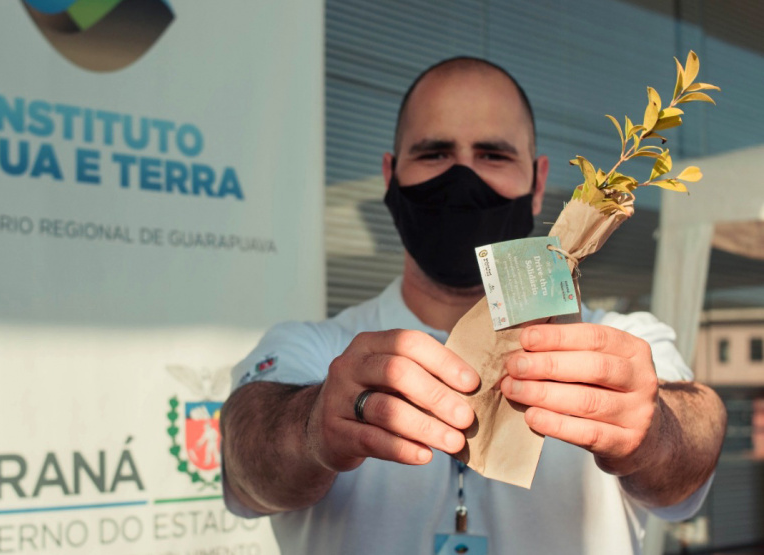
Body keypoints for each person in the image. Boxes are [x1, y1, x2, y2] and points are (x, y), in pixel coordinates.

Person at [220, 57, 726, 555]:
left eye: (493, 155)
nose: (462, 179)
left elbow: (692, 448)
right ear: (390, 176)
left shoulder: (618, 345)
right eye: (434, 153)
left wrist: (654, 428)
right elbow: (247, 463)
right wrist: (313, 425)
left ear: (537, 183)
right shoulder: (318, 352)